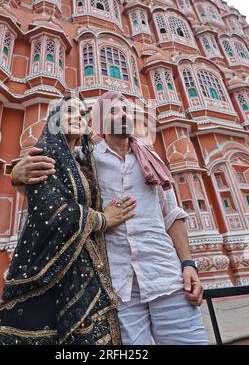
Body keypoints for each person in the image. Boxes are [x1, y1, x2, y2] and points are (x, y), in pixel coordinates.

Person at [11, 91, 209, 345]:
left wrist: (188, 265)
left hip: (165, 276)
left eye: (126, 109)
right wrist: (16, 173)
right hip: (118, 287)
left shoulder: (152, 159)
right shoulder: (86, 158)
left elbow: (172, 216)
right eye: (115, 110)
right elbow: (47, 181)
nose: (124, 114)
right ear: (101, 121)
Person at [0, 95, 136, 345]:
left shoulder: (83, 159)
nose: (78, 118)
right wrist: (104, 220)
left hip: (88, 266)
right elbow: (55, 213)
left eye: (83, 114)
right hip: (50, 268)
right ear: (54, 120)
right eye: (69, 111)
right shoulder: (46, 153)